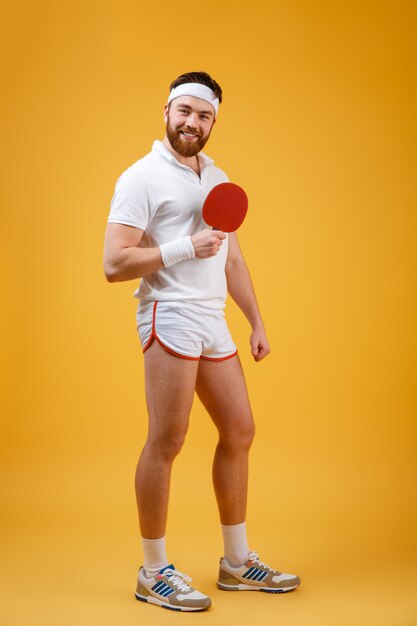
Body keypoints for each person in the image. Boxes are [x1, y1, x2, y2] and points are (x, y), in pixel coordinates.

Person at [103, 71, 301, 612]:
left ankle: (236, 564)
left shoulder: (216, 176)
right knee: (167, 440)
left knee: (239, 430)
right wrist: (184, 248)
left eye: (204, 115)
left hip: (212, 318)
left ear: (214, 121)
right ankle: (152, 570)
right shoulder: (140, 178)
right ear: (166, 112)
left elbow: (231, 255)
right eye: (185, 111)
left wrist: (255, 320)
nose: (193, 122)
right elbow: (114, 263)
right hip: (169, 314)